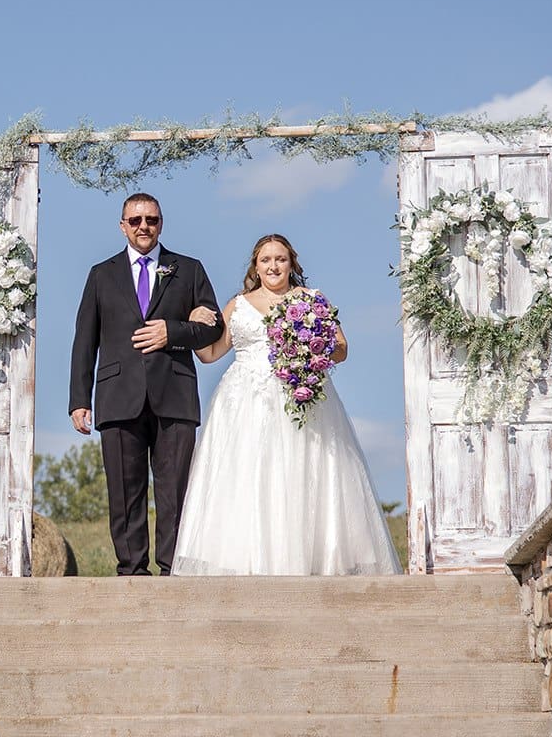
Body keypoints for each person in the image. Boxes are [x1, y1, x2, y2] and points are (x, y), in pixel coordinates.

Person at [171, 234, 401, 576]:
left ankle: (310, 561)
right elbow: (211, 354)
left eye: (280, 259)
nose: (273, 266)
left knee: (303, 472)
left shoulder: (312, 299)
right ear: (256, 266)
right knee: (248, 477)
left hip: (300, 397)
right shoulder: (238, 304)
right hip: (243, 403)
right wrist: (192, 325)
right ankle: (247, 564)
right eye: (266, 260)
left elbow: (341, 348)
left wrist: (311, 346)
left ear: (291, 263)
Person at [69, 193, 223, 575]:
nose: (143, 226)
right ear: (122, 225)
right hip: (117, 396)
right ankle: (132, 571)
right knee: (125, 491)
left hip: (175, 395)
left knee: (175, 491)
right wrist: (78, 399)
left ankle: (174, 569)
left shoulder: (188, 269)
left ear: (161, 223)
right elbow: (84, 339)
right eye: (135, 220)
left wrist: (171, 331)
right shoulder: (101, 275)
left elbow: (215, 328)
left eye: (151, 220)